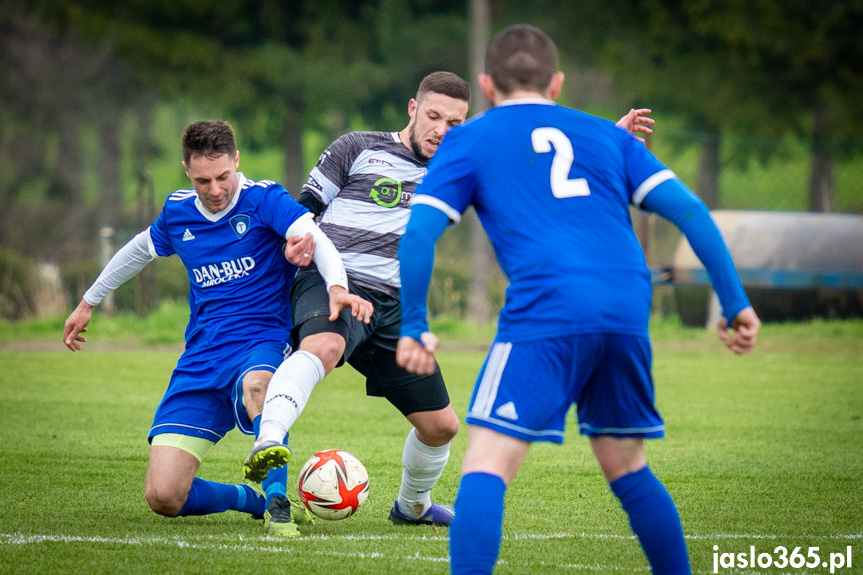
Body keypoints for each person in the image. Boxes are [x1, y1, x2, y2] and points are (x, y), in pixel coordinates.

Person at [396, 24, 760, 575]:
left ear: (487, 85)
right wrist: (735, 303)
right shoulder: (606, 136)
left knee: (487, 464)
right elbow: (691, 213)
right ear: (558, 83)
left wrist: (415, 325)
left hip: (548, 306)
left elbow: (420, 234)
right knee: (626, 464)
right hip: (626, 308)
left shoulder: (468, 139)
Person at [243, 71, 655, 527]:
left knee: (441, 427)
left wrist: (610, 141)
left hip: (395, 305)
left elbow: (543, 172)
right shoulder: (356, 147)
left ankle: (412, 507)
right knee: (325, 346)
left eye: (454, 123)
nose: (442, 129)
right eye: (434, 116)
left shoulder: (464, 166)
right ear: (412, 109)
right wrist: (296, 245)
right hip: (334, 283)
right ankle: (269, 439)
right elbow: (303, 214)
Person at [62, 120, 372, 538]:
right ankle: (254, 500)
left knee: (259, 385)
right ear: (187, 170)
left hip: (262, 340)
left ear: (237, 161)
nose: (215, 189)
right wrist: (88, 302)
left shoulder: (265, 199)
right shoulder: (177, 212)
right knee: (164, 495)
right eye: (203, 179)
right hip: (201, 357)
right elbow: (138, 250)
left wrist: (336, 287)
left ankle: (278, 500)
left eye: (223, 176)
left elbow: (315, 238)